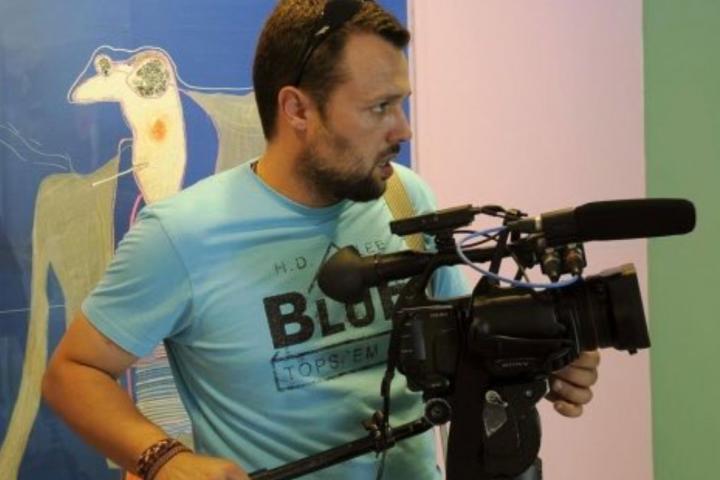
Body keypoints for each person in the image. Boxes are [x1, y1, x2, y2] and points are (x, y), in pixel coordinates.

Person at [42, 1, 600, 479]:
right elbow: (73, 373)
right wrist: (164, 459)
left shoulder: (405, 199)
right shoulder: (182, 234)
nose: (403, 129)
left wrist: (534, 364)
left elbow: (457, 358)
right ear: (298, 110)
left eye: (401, 103)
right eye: (379, 107)